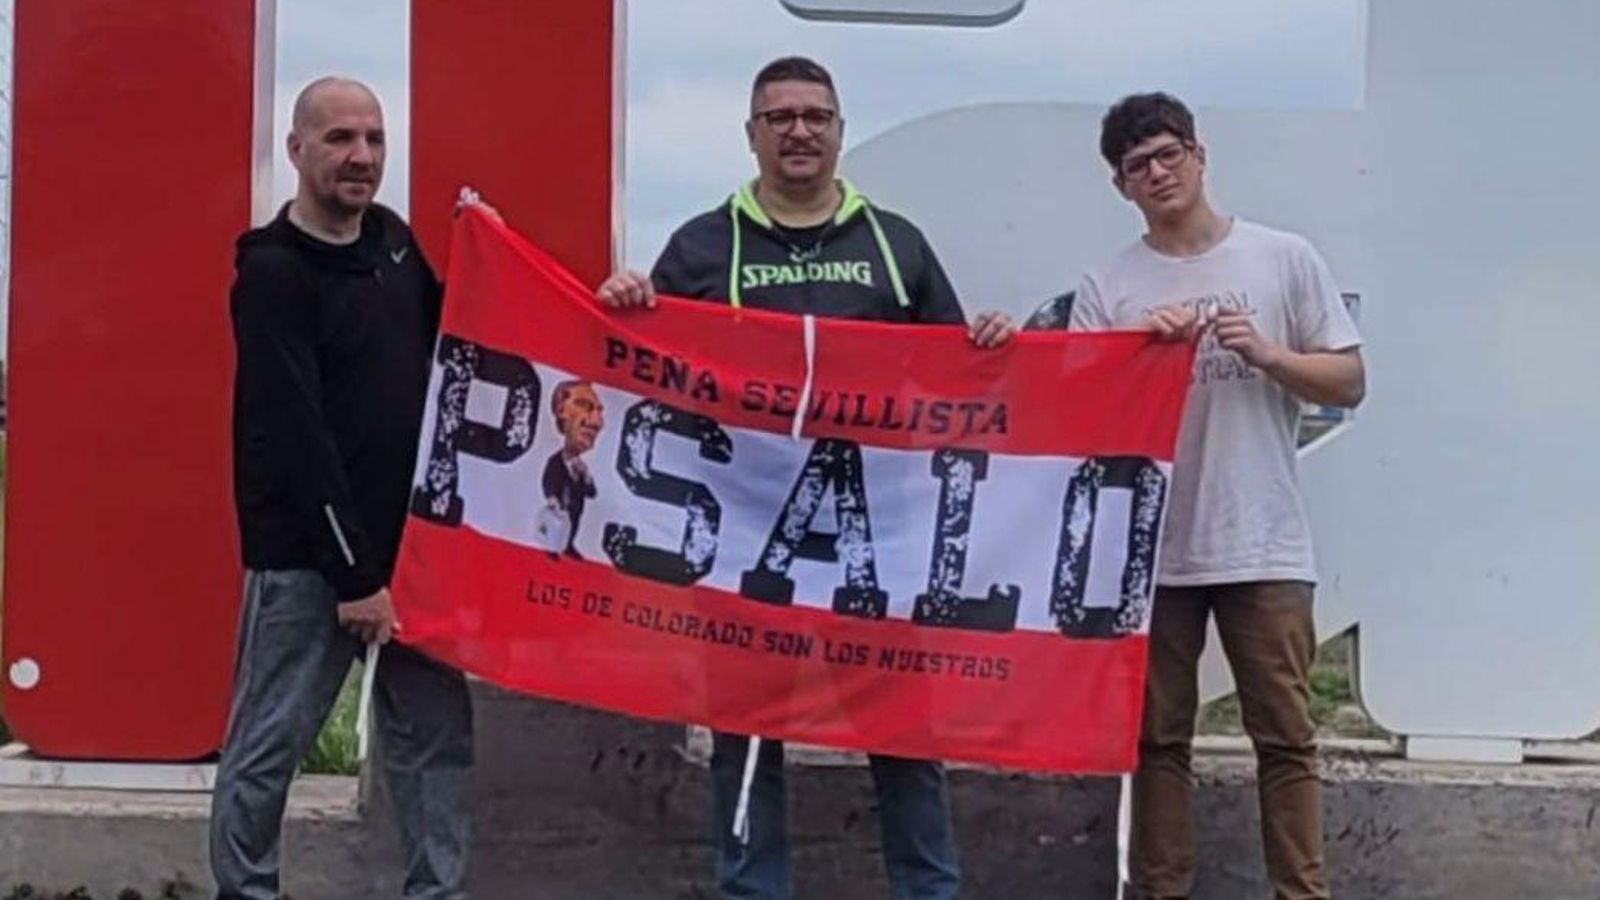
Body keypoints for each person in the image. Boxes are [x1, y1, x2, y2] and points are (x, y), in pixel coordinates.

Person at [598, 55, 1014, 900]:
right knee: (747, 738)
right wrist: (625, 303)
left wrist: (995, 343)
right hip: (747, 542)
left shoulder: (896, 245)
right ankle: (754, 890)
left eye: (815, 116)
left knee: (903, 734)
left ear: (838, 131)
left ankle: (930, 891)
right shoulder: (701, 246)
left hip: (875, 545)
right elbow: (645, 370)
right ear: (752, 135)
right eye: (780, 117)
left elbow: (955, 383)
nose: (799, 131)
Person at [1069, 92, 1365, 900]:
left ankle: (1301, 893)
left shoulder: (1282, 257)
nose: (1158, 173)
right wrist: (1140, 358)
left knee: (1287, 736)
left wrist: (1268, 353)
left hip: (1264, 539)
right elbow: (1081, 412)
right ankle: (1162, 891)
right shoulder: (1110, 283)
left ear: (1199, 155)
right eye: (1138, 166)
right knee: (1157, 739)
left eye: (1169, 155)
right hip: (1153, 551)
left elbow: (1350, 378)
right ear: (1120, 186)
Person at [211, 76, 474, 900]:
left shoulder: (394, 242)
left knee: (436, 746)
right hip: (309, 564)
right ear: (297, 150)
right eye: (339, 140)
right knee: (267, 748)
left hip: (415, 557)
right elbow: (296, 437)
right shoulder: (273, 276)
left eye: (372, 139)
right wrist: (356, 575)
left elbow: (460, 342)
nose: (360, 157)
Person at [541, 380, 605, 558]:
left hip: (575, 509)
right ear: (562, 411)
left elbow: (592, 493)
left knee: (572, 526)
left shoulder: (581, 466)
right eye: (583, 405)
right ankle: (553, 548)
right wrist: (553, 499)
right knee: (557, 528)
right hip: (560, 510)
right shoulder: (555, 461)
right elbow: (549, 480)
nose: (596, 421)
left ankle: (567, 545)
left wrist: (587, 477)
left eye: (599, 411)